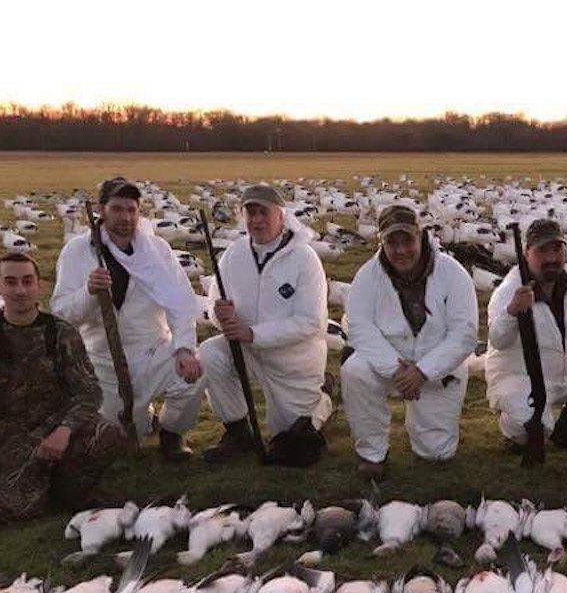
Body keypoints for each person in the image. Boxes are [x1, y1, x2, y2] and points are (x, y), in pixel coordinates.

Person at [0, 253, 126, 522]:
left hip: (59, 427)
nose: (20, 290)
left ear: (40, 285)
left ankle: (66, 486)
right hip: (10, 434)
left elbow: (89, 391)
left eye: (27, 281)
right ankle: (38, 484)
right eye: (11, 282)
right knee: (16, 513)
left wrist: (64, 429)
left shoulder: (62, 332)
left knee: (108, 435)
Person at [52, 177, 203, 462]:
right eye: (118, 209)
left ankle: (172, 433)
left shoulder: (157, 250)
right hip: (103, 360)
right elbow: (61, 313)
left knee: (194, 372)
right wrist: (89, 292)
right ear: (100, 209)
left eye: (132, 210)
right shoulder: (77, 251)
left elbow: (181, 302)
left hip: (152, 349)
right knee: (113, 440)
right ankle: (141, 418)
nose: (126, 217)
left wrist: (184, 348)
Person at [196, 183, 331, 465]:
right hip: (245, 349)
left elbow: (311, 322)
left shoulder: (304, 259)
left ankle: (324, 399)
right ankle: (237, 432)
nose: (256, 220)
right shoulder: (234, 255)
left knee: (291, 438)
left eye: (263, 212)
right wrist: (218, 313)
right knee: (210, 352)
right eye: (250, 213)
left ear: (281, 216)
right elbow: (213, 301)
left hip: (291, 360)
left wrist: (253, 333)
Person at [341, 203, 478, 478]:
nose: (401, 250)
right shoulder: (367, 276)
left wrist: (424, 371)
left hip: (439, 368)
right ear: (382, 242)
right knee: (355, 370)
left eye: (407, 240)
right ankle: (372, 454)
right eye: (392, 242)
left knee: (436, 454)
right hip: (390, 364)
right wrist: (397, 370)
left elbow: (465, 333)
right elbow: (359, 327)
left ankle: (427, 431)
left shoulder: (453, 273)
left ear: (421, 235)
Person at [485, 218, 567, 452]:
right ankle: (514, 433)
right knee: (533, 426)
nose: (551, 258)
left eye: (556, 249)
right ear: (526, 253)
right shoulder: (510, 290)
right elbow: (498, 339)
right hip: (519, 378)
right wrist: (512, 312)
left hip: (566, 371)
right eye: (541, 250)